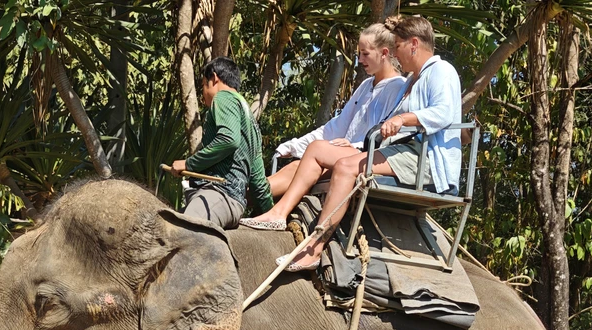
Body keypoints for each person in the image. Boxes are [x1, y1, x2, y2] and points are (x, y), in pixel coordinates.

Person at [268, 15, 462, 270]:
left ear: (413, 44)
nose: (395, 54)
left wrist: (403, 119)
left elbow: (444, 112)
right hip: (403, 152)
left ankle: (314, 248)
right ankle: (276, 214)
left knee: (348, 167)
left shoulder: (441, 70)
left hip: (426, 159)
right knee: (330, 157)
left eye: (398, 47)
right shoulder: (412, 81)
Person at [260, 24, 406, 206]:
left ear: (384, 53)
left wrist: (354, 145)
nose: (360, 59)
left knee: (305, 163)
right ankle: (250, 195)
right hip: (342, 153)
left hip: (366, 158)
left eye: (365, 54)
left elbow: (386, 135)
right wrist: (296, 145)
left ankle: (268, 206)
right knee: (297, 165)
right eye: (359, 54)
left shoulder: (398, 87)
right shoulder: (366, 85)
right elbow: (337, 126)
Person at [169, 57, 273, 229]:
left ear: (214, 78)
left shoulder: (224, 97)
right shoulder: (252, 124)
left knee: (183, 232)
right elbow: (259, 183)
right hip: (234, 205)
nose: (203, 94)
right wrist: (272, 215)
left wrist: (189, 164)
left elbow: (228, 140)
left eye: (203, 85)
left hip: (218, 194)